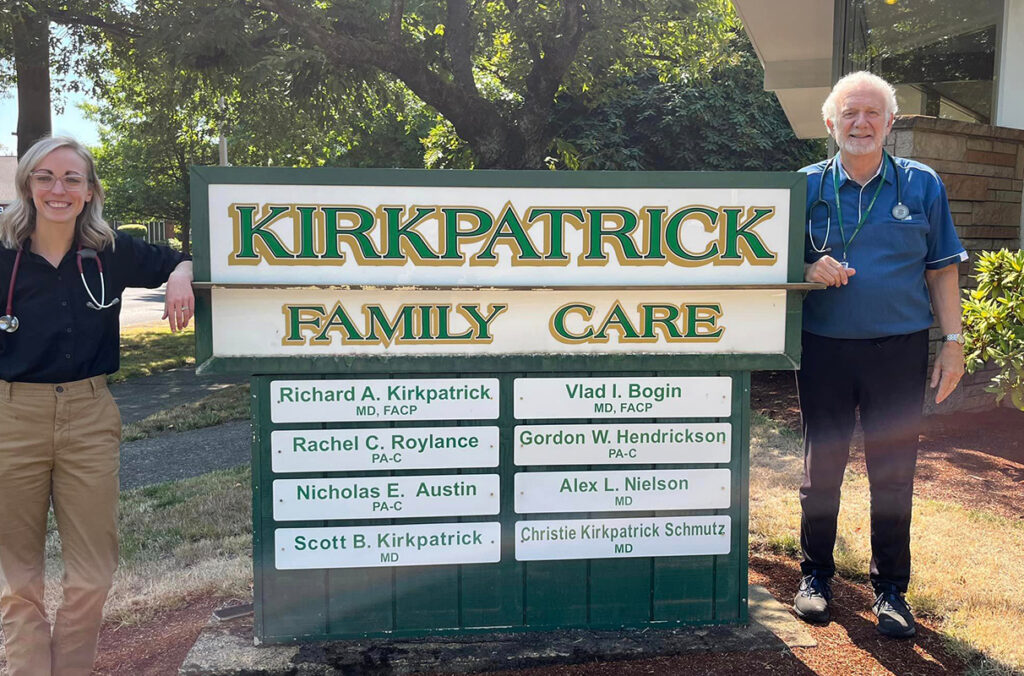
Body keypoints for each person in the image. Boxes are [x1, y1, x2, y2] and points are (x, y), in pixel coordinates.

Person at [0, 136, 194, 675]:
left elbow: (181, 258)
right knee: (17, 581)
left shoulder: (111, 252)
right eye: (45, 177)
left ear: (89, 192)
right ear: (28, 186)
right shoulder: (3, 253)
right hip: (12, 416)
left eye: (71, 179)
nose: (57, 189)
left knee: (93, 573)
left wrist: (181, 275)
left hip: (89, 415)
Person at [793, 72, 966, 638]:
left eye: (873, 114)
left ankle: (891, 589)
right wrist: (804, 267)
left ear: (890, 123)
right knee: (823, 470)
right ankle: (816, 577)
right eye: (850, 113)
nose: (861, 123)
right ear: (830, 123)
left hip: (899, 350)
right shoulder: (804, 188)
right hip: (825, 349)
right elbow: (770, 262)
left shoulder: (922, 186)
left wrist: (953, 341)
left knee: (893, 474)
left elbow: (942, 268)